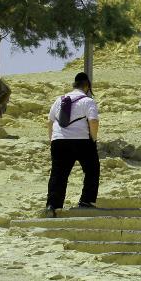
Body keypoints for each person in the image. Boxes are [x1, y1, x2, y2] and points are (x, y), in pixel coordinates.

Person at [45, 72, 100, 217]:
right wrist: (93, 139)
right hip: (81, 140)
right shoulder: (88, 101)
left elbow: (49, 122)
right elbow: (93, 121)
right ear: (87, 86)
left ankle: (53, 206)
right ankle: (86, 201)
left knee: (58, 174)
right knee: (92, 170)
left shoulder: (59, 99)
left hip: (58, 141)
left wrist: (52, 140)